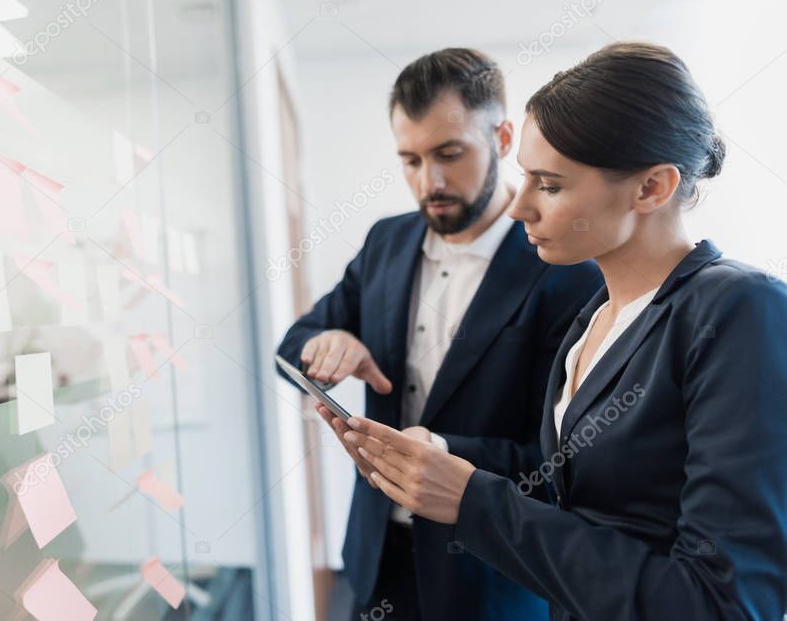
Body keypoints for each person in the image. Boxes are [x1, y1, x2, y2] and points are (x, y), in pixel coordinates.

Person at [331, 42, 787, 620]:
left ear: (652, 188)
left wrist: (475, 502)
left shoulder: (740, 309)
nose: (519, 206)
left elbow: (724, 605)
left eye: (549, 185)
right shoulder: (596, 316)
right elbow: (576, 497)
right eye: (525, 178)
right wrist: (439, 458)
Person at [275, 48, 602, 621]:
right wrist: (326, 345)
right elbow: (295, 342)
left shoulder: (567, 273)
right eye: (410, 160)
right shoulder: (386, 243)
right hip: (377, 556)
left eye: (450, 154)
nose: (430, 181)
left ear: (502, 139)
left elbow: (563, 460)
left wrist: (444, 454)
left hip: (489, 574)